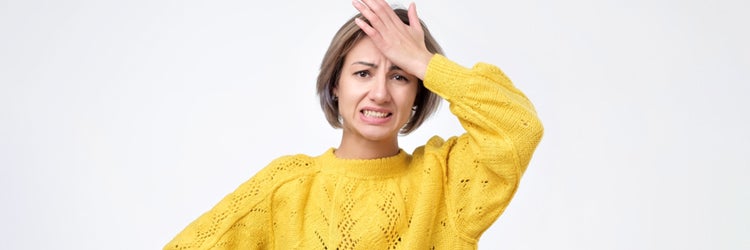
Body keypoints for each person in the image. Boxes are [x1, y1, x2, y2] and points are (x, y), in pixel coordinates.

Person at [165, 0, 543, 249]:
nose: (379, 93)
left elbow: (519, 128)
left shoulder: (445, 181)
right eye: (363, 73)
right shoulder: (289, 186)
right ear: (335, 84)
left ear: (419, 93)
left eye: (400, 76)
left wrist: (426, 63)